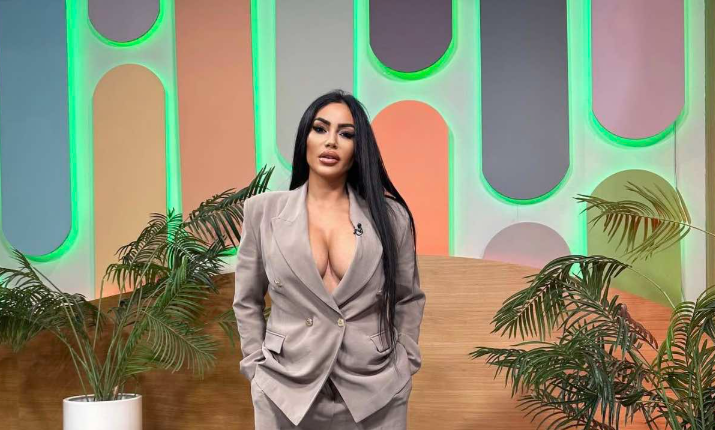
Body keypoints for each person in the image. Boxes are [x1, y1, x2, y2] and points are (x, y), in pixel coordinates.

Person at [233, 89, 426, 429]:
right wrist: (255, 364)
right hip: (284, 387)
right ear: (304, 138)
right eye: (320, 129)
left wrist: (404, 361)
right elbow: (247, 299)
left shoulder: (391, 217)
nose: (331, 141)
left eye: (346, 134)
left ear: (359, 148)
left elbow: (408, 297)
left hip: (375, 388)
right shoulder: (263, 212)